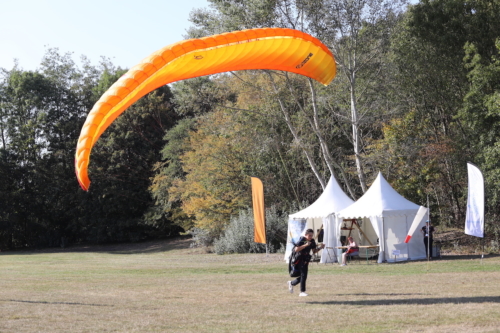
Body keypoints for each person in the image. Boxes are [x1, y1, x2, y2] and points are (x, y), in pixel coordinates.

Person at [287, 229, 325, 297]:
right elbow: (296, 249)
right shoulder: (302, 240)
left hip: (306, 260)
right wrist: (305, 245)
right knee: (303, 275)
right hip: (299, 260)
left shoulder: (312, 241)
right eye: (309, 235)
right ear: (306, 235)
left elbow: (314, 251)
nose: (311, 237)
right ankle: (302, 291)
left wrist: (320, 248)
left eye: (312, 235)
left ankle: (292, 283)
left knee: (303, 276)